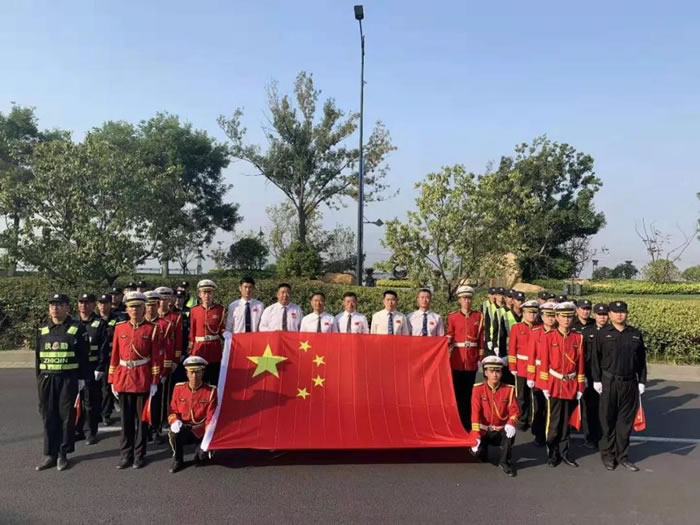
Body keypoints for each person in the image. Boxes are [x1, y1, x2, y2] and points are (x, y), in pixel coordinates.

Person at [35, 294, 90, 472]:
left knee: (66, 417)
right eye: (52, 305)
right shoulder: (43, 330)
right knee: (48, 416)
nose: (55, 308)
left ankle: (62, 453)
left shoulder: (77, 328)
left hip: (68, 380)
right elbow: (38, 358)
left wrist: (82, 379)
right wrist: (39, 379)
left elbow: (83, 356)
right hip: (47, 380)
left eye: (59, 305)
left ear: (67, 308)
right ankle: (49, 454)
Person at [592, 301, 647, 472]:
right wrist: (596, 380)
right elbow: (595, 359)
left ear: (627, 313)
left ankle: (622, 456)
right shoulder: (603, 334)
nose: (619, 315)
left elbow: (641, 360)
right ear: (610, 314)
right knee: (607, 420)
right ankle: (608, 455)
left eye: (622, 311)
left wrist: (642, 381)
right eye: (615, 312)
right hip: (609, 382)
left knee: (625, 422)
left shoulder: (635, 334)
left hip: (629, 383)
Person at [108, 291, 161, 469]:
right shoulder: (120, 328)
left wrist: (154, 380)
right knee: (126, 420)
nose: (135, 310)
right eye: (131, 307)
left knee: (142, 420)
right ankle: (126, 454)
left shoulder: (152, 328)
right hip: (124, 378)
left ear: (144, 308)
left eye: (138, 306)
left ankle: (139, 454)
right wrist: (112, 379)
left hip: (142, 378)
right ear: (127, 309)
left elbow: (156, 357)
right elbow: (115, 355)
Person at [541, 302, 585, 467]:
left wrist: (580, 386)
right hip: (554, 383)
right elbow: (544, 363)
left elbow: (580, 364)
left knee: (567, 422)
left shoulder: (578, 338)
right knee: (554, 422)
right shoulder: (549, 337)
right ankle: (552, 453)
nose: (566, 320)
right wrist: (545, 385)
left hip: (570, 384)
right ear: (557, 317)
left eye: (569, 316)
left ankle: (564, 453)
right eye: (563, 316)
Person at [469, 356, 520, 477]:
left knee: (510, 433)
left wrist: (511, 423)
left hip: (500, 430)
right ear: (485, 373)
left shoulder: (509, 390)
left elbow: (515, 411)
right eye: (491, 371)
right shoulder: (478, 389)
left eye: (498, 371)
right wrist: (475, 434)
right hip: (484, 430)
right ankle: (482, 447)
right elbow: (475, 413)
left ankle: (504, 462)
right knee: (477, 454)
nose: (495, 375)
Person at [167, 356, 217, 473]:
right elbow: (172, 410)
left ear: (203, 373)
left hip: (201, 430)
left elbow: (211, 417)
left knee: (201, 459)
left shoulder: (211, 391)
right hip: (184, 428)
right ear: (187, 373)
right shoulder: (178, 388)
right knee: (173, 434)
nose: (194, 376)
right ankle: (178, 459)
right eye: (192, 372)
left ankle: (203, 450)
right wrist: (174, 421)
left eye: (198, 372)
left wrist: (208, 438)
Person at [446, 285, 484, 429]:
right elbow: (450, 333)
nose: (466, 301)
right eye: (464, 298)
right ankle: (456, 421)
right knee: (456, 392)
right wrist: (448, 338)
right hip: (457, 359)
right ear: (459, 300)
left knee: (469, 393)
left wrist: (480, 358)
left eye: (468, 298)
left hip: (471, 360)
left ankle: (468, 421)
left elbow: (481, 339)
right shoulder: (453, 316)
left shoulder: (478, 316)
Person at [75, 293, 110, 445]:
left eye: (87, 302)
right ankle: (78, 430)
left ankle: (91, 432)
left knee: (90, 402)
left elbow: (103, 347)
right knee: (76, 401)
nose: (84, 305)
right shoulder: (72, 322)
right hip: (75, 368)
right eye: (81, 302)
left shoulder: (100, 323)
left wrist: (100, 367)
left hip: (92, 368)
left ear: (93, 305)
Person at [527, 301, 557, 446]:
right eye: (547, 315)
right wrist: (530, 376)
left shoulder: (558, 332)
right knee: (539, 407)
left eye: (553, 316)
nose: (550, 319)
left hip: (554, 375)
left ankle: (551, 434)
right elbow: (531, 356)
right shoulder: (535, 332)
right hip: (539, 374)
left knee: (552, 407)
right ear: (542, 316)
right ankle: (539, 435)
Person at [507, 299, 540, 431]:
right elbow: (512, 348)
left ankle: (534, 419)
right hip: (521, 366)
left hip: (536, 367)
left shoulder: (540, 328)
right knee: (521, 396)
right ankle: (522, 420)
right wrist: (512, 366)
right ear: (524, 313)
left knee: (535, 396)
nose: (532, 315)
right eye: (529, 312)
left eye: (534, 313)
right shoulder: (517, 328)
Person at [579, 303, 609, 449]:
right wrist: (582, 375)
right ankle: (590, 436)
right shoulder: (587, 332)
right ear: (595, 315)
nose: (602, 317)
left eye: (605, 314)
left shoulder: (612, 331)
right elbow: (581, 355)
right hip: (590, 374)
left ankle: (604, 435)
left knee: (606, 408)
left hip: (607, 374)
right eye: (599, 314)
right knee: (590, 407)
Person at [188, 280, 226, 386]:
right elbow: (192, 332)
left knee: (215, 380)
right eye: (204, 293)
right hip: (199, 349)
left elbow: (222, 329)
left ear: (213, 294)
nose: (207, 296)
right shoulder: (194, 310)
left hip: (214, 350)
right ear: (200, 294)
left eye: (209, 292)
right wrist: (191, 350)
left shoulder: (220, 310)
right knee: (200, 380)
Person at [144, 290, 168, 443]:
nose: (151, 308)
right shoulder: (138, 324)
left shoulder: (164, 324)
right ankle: (143, 430)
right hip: (141, 369)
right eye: (148, 305)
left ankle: (156, 430)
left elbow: (167, 349)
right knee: (141, 402)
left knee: (156, 401)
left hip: (156, 368)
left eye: (154, 305)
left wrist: (164, 370)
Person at [97, 293, 123, 425]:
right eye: (100, 303)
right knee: (96, 388)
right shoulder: (94, 320)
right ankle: (97, 413)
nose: (103, 306)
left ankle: (106, 414)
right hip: (97, 359)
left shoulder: (118, 319)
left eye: (105, 303)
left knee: (107, 388)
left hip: (112, 358)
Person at [482, 287, 499, 354]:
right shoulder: (484, 305)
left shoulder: (500, 305)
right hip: (487, 333)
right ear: (488, 295)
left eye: (495, 294)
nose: (493, 296)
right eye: (492, 294)